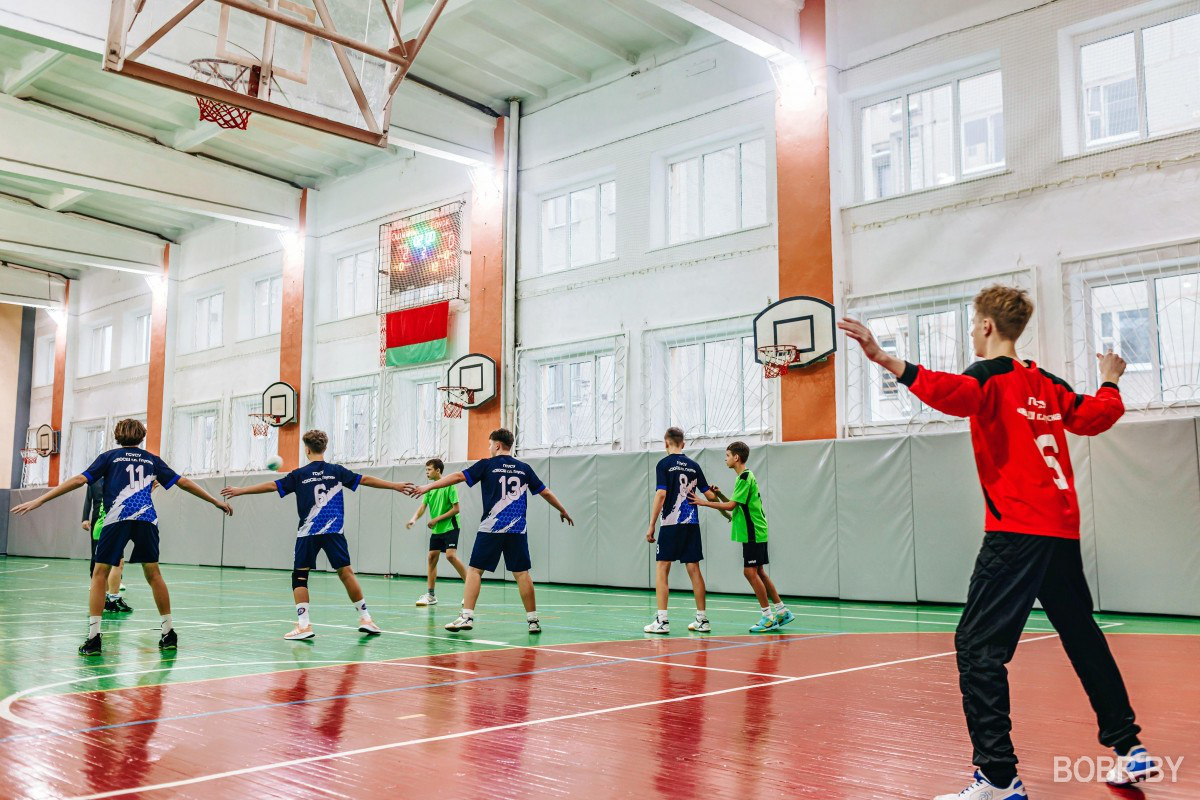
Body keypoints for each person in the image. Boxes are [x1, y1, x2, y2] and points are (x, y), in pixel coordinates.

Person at [838, 285, 1160, 799]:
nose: (971, 332)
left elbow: (949, 393)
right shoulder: (1048, 383)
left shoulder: (987, 378)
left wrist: (884, 358)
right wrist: (1110, 381)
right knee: (1081, 635)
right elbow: (1097, 416)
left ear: (987, 326)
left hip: (1015, 532)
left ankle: (998, 778)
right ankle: (1129, 748)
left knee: (977, 647)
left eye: (972, 325)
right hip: (1060, 531)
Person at [12, 418, 232, 655]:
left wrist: (40, 499)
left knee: (99, 573)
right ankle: (169, 633)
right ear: (142, 436)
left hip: (117, 518)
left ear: (117, 435)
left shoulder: (109, 457)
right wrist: (215, 501)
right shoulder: (151, 459)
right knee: (154, 574)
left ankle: (94, 638)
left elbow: (78, 480)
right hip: (146, 519)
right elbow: (184, 482)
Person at [221, 429, 414, 640]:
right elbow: (365, 479)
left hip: (308, 532)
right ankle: (366, 619)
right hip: (333, 530)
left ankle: (304, 625)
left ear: (306, 449)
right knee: (346, 572)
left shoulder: (299, 474)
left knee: (300, 577)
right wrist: (394, 485)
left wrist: (241, 490)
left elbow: (271, 486)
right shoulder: (336, 471)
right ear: (325, 447)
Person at [411, 428, 574, 634]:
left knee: (475, 571)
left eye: (490, 445)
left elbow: (459, 476)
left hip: (491, 527)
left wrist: (428, 487)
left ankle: (466, 616)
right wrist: (563, 510)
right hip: (517, 528)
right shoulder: (524, 468)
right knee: (522, 573)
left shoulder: (487, 465)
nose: (489, 448)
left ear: (497, 445)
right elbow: (545, 492)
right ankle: (533, 621)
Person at [691, 441, 795, 633]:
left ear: (736, 457)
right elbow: (735, 503)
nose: (726, 459)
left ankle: (768, 617)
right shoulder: (744, 478)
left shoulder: (745, 477)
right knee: (760, 573)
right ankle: (782, 611)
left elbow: (730, 507)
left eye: (728, 455)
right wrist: (719, 494)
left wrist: (702, 503)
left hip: (753, 532)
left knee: (750, 572)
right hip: (756, 531)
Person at [644, 427, 720, 635]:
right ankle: (702, 619)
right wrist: (715, 493)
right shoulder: (694, 465)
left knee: (662, 567)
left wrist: (651, 524)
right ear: (683, 444)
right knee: (694, 568)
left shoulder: (663, 464)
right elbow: (710, 497)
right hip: (691, 523)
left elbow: (661, 494)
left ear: (665, 442)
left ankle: (662, 620)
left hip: (670, 523)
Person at [405, 458, 467, 606]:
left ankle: (470, 588)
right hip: (437, 529)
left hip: (451, 526)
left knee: (451, 556)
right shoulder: (429, 488)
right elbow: (422, 507)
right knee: (432, 558)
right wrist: (413, 519)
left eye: (429, 469)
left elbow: (456, 509)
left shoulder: (449, 486)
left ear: (438, 470)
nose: (427, 472)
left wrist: (436, 519)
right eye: (426, 470)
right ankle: (431, 596)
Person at [82, 476, 131, 613]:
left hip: (116, 525)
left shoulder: (119, 480)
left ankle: (112, 597)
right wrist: (85, 518)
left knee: (118, 562)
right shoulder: (95, 480)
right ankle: (99, 590)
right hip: (102, 526)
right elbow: (88, 500)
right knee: (100, 561)